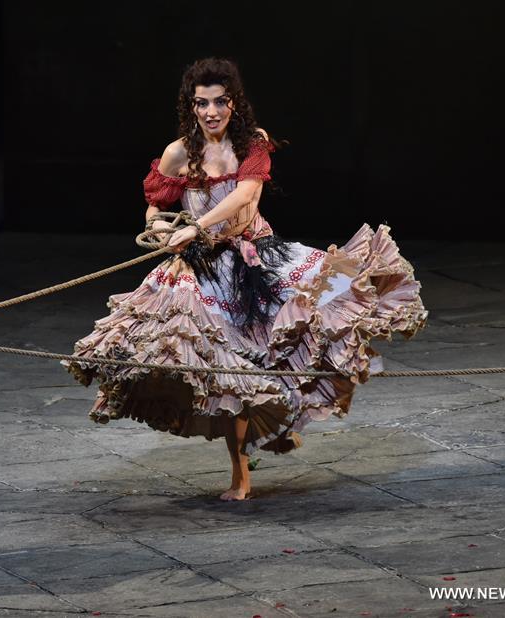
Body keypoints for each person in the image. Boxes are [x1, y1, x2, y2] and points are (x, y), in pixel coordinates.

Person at [66, 58, 427, 501]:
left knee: (304, 329)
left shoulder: (251, 143)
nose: (211, 111)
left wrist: (199, 226)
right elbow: (155, 208)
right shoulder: (178, 152)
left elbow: (246, 194)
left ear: (233, 103)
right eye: (202, 104)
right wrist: (163, 229)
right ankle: (241, 477)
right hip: (202, 269)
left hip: (257, 260)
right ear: (191, 106)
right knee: (227, 371)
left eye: (219, 102)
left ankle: (280, 422)